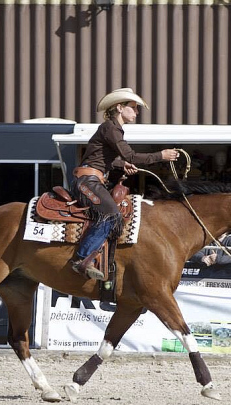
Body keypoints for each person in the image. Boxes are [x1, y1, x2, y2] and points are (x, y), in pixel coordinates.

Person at [69, 87, 180, 280]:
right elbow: (130, 154)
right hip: (87, 181)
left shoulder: (111, 128)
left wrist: (121, 164)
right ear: (120, 108)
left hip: (93, 179)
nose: (136, 112)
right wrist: (160, 156)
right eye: (133, 107)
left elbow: (102, 159)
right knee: (111, 214)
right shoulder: (110, 128)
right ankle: (80, 259)